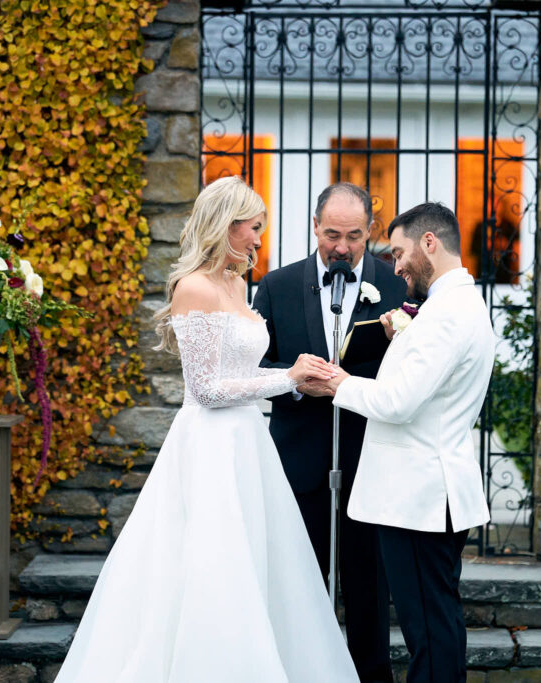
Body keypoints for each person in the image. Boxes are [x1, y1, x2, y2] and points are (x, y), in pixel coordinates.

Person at [55, 176, 359, 682]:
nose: (259, 238)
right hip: (210, 446)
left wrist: (297, 377)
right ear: (226, 224)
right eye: (253, 227)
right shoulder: (193, 288)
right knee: (212, 564)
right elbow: (206, 389)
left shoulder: (238, 284)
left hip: (248, 443)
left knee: (258, 563)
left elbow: (239, 371)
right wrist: (286, 379)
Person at [306, 202, 495, 683]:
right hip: (426, 496)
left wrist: (338, 383)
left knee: (429, 631)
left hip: (419, 500)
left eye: (398, 253)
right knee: (435, 625)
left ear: (429, 242)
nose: (395, 267)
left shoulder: (447, 314)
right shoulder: (455, 305)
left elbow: (397, 401)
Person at [252, 182, 406, 683]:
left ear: (371, 231)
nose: (342, 247)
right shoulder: (276, 285)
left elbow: (412, 373)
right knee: (298, 590)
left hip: (372, 461)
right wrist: (296, 384)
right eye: (332, 235)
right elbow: (256, 365)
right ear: (314, 226)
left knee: (369, 591)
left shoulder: (398, 287)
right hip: (300, 463)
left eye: (354, 236)